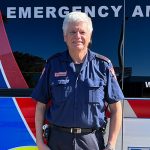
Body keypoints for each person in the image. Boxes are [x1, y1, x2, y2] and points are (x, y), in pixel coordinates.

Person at [31, 11, 124, 150]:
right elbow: (40, 106)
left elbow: (116, 109)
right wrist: (40, 142)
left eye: (82, 32)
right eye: (72, 32)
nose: (77, 36)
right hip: (57, 141)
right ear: (65, 37)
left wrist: (111, 144)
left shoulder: (103, 65)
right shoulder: (52, 64)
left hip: (91, 141)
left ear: (90, 36)